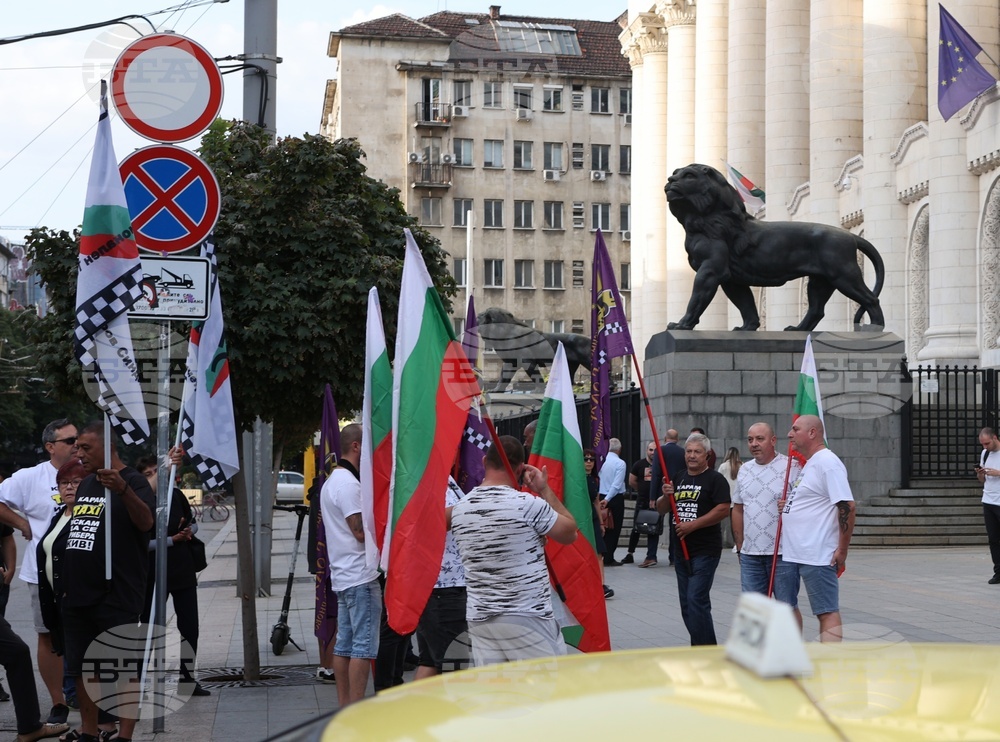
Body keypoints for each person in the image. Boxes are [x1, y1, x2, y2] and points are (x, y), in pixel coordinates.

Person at [62, 422, 155, 742]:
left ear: (108, 448)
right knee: (83, 669)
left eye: (85, 447)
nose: (78, 453)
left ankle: (125, 735)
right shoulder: (87, 483)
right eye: (76, 447)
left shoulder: (134, 481)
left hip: (117, 594)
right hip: (79, 593)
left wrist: (122, 491)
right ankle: (89, 731)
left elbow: (146, 524)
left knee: (122, 669)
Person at [449, 435, 577, 666]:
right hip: (527, 615)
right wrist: (543, 489)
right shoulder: (528, 504)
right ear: (520, 468)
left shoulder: (459, 509)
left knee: (497, 696)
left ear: (484, 460)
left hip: (481, 616)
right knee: (543, 695)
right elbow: (570, 532)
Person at [0, 419, 78, 725]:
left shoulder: (92, 473)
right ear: (51, 446)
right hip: (43, 574)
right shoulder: (31, 477)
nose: (76, 444)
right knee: (48, 637)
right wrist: (22, 525)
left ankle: (91, 698)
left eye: (78, 439)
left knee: (84, 635)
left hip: (86, 572)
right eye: (69, 440)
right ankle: (59, 701)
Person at [136, 454, 210, 697]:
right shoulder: (140, 501)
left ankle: (187, 678)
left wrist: (188, 531)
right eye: (148, 474)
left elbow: (193, 523)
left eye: (156, 472)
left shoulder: (175, 495)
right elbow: (139, 543)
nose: (155, 477)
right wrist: (171, 540)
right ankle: (138, 682)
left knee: (190, 626)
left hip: (182, 570)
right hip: (151, 574)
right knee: (147, 627)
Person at [321, 424, 380, 708]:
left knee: (344, 646)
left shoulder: (334, 481)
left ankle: (346, 708)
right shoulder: (347, 484)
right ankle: (356, 710)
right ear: (356, 446)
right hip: (360, 576)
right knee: (363, 647)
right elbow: (358, 531)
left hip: (346, 576)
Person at [784, 415, 856, 642]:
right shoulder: (813, 462)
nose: (790, 434)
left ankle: (831, 668)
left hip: (817, 553)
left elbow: (847, 506)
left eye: (795, 429)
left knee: (826, 611)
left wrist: (842, 550)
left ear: (813, 432)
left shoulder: (827, 462)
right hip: (800, 552)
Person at [656, 433, 730, 645]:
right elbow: (662, 509)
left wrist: (692, 525)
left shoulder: (716, 479)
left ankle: (706, 650)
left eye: (697, 452)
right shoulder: (678, 478)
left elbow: (723, 509)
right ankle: (700, 646)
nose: (692, 456)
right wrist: (665, 494)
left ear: (707, 455)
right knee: (687, 604)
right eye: (688, 451)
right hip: (681, 551)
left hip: (705, 551)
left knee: (696, 599)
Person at [731, 423, 802, 627]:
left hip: (783, 553)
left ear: (773, 440)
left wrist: (790, 505)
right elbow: (737, 508)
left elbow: (806, 505)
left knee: (787, 607)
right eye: (750, 439)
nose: (754, 444)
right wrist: (740, 545)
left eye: (759, 439)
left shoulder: (792, 467)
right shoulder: (744, 470)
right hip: (751, 554)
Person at [414, 477, 468, 679]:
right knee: (454, 667)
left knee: (430, 662)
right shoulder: (425, 479)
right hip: (442, 588)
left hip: (442, 585)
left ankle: (411, 711)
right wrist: (475, 504)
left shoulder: (443, 477)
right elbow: (432, 522)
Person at [649, 428, 686, 567]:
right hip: (678, 491)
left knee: (655, 524)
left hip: (662, 492)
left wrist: (653, 496)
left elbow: (656, 474)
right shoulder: (682, 452)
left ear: (665, 438)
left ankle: (652, 555)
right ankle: (673, 556)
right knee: (674, 525)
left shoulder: (660, 450)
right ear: (678, 439)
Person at [583, 449, 612, 599]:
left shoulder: (594, 479)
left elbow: (596, 500)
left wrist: (601, 523)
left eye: (591, 460)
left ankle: (601, 584)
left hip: (593, 519)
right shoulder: (578, 478)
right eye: (586, 459)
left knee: (599, 552)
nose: (588, 462)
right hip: (582, 518)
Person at [626, 441, 659, 568]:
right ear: (646, 450)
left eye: (655, 450)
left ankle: (651, 556)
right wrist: (642, 490)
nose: (652, 453)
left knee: (653, 529)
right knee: (636, 527)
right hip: (642, 500)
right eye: (650, 450)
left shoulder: (660, 465)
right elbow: (632, 480)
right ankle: (630, 553)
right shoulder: (639, 464)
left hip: (656, 502)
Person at [598, 438, 627, 566]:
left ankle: (600, 554)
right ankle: (609, 556)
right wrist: (608, 499)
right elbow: (616, 484)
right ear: (619, 450)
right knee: (615, 528)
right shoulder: (620, 464)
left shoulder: (601, 461)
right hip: (614, 497)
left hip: (600, 495)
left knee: (602, 526)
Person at [718, 447, 742, 550]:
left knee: (724, 523)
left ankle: (723, 542)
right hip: (738, 498)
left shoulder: (723, 466)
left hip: (726, 497)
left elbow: (719, 480)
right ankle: (737, 542)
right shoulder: (742, 465)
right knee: (737, 523)